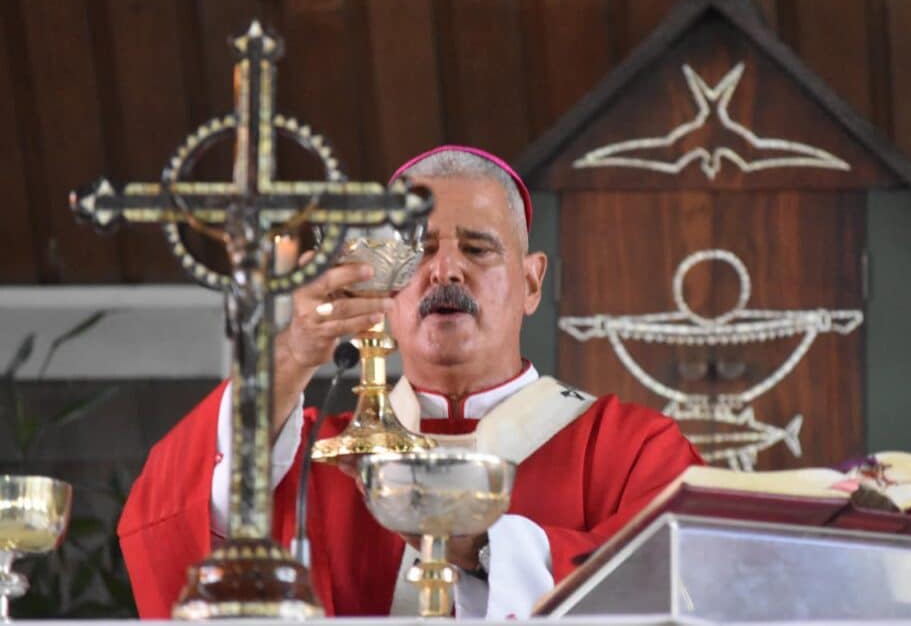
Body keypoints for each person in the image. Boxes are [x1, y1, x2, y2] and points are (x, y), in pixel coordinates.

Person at [118, 145, 703, 618]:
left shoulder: (632, 451)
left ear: (531, 284)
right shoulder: (319, 461)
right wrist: (295, 352)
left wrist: (470, 543)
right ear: (381, 290)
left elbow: (680, 585)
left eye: (476, 247)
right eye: (417, 252)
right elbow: (179, 524)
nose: (445, 269)